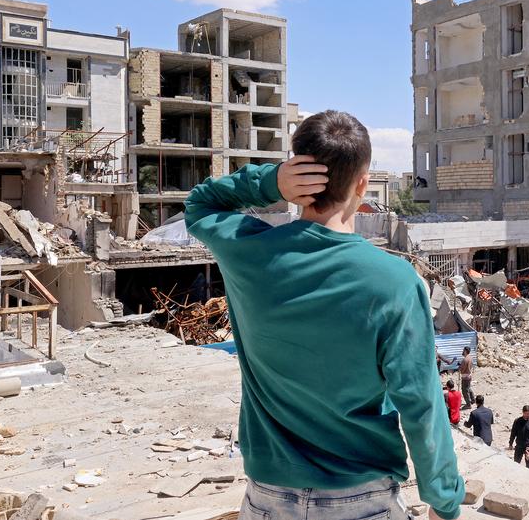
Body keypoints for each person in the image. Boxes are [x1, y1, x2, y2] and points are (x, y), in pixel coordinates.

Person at [185, 110, 463, 520]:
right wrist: (444, 501)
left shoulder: (248, 252)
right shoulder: (395, 282)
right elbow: (420, 404)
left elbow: (200, 203)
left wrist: (271, 183)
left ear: (298, 173)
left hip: (267, 500)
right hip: (362, 500)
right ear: (363, 185)